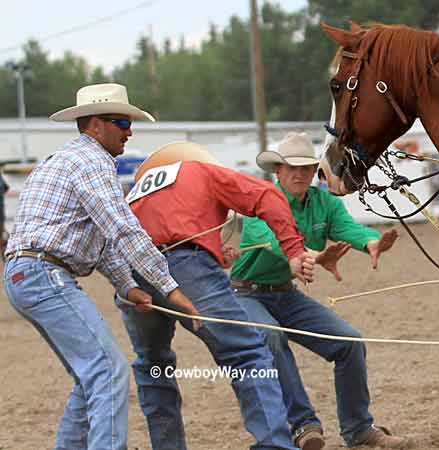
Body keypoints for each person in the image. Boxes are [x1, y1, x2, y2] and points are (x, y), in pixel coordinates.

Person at [3, 83, 199, 450]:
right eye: (121, 121)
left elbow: (101, 238)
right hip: (44, 274)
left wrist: (128, 286)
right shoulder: (92, 163)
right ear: (95, 125)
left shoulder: (68, 160)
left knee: (90, 375)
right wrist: (169, 288)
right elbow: (122, 229)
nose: (130, 130)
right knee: (108, 370)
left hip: (28, 274)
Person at [117, 141, 317, 450]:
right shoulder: (200, 171)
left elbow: (160, 227)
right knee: (248, 354)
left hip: (131, 274)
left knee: (152, 364)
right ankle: (275, 445)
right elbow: (267, 195)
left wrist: (211, 252)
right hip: (184, 266)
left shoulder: (137, 191)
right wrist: (293, 249)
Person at [230, 132, 411, 450]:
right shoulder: (258, 203)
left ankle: (358, 428)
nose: (300, 174)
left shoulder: (324, 202)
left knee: (349, 343)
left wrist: (371, 242)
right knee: (271, 336)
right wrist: (315, 257)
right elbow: (279, 246)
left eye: (307, 168)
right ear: (278, 171)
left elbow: (347, 228)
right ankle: (303, 424)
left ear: (315, 172)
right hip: (246, 294)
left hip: (285, 293)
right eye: (292, 168)